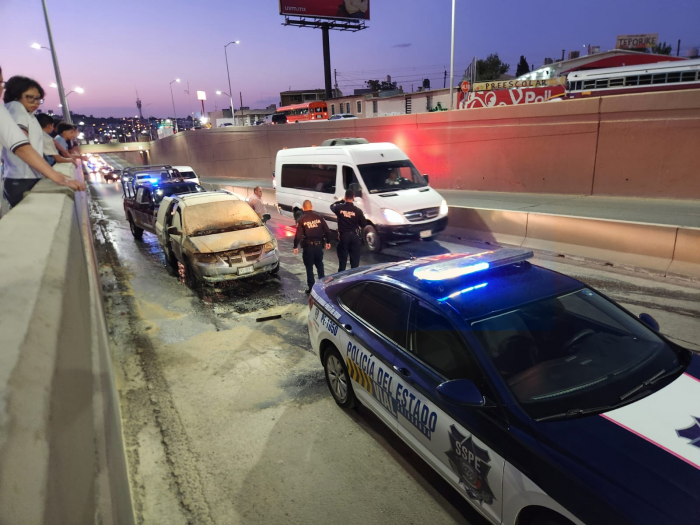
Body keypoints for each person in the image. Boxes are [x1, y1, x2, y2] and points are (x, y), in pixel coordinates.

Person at [1, 72, 83, 208]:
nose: (35, 102)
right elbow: (21, 146)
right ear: (16, 96)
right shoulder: (16, 108)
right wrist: (56, 176)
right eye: (29, 97)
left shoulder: (27, 114)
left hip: (22, 178)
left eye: (38, 99)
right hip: (22, 178)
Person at [294, 200, 331, 293]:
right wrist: (328, 242)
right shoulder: (319, 217)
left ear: (303, 208)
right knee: (320, 265)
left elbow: (298, 235)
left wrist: (295, 246)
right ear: (312, 207)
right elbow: (327, 231)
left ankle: (311, 288)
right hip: (318, 246)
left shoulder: (302, 219)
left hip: (308, 248)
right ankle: (322, 286)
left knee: (309, 268)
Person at [331, 189, 367, 272]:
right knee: (355, 263)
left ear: (345, 197)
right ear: (353, 197)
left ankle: (341, 278)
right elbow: (364, 224)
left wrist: (340, 201)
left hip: (343, 237)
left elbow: (332, 206)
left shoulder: (339, 208)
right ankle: (353, 277)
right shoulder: (358, 211)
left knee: (342, 261)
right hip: (354, 236)